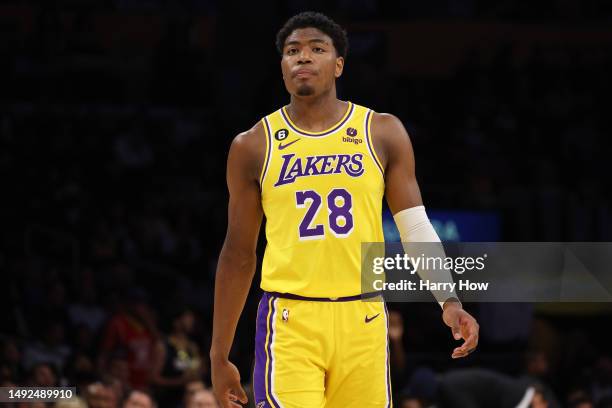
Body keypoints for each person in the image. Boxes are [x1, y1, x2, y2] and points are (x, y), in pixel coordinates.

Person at [210, 11, 479, 408]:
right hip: (291, 320)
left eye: (317, 49)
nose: (303, 57)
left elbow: (415, 228)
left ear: (338, 65)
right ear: (282, 67)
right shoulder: (253, 145)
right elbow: (238, 254)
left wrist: (449, 301)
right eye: (292, 51)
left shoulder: (381, 131)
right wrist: (219, 354)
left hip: (364, 318)